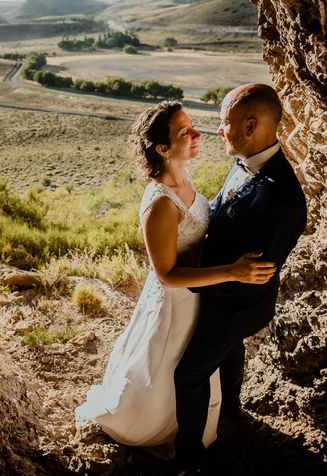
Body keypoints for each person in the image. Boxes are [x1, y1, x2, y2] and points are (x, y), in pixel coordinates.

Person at [74, 100, 277, 451]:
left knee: (194, 369)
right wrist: (233, 271)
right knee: (170, 370)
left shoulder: (183, 178)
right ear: (163, 149)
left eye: (193, 125)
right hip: (176, 302)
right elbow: (166, 274)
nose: (198, 134)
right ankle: (156, 426)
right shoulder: (161, 205)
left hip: (200, 293)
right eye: (186, 132)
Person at [173, 84, 307, 476]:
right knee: (230, 351)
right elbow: (221, 209)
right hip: (227, 299)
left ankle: (189, 459)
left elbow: (251, 276)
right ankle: (231, 407)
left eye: (224, 123)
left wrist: (188, 281)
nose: (219, 131)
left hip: (235, 306)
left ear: (251, 126)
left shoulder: (282, 200)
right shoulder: (245, 160)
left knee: (189, 374)